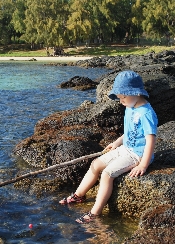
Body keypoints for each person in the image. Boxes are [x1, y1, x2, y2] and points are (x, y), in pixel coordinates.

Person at [59, 70, 158, 223]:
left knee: (107, 174)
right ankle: (79, 195)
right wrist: (117, 143)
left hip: (137, 155)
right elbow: (130, 132)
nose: (121, 101)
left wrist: (143, 164)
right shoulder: (130, 107)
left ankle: (95, 213)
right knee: (96, 164)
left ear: (136, 93)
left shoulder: (146, 113)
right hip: (125, 149)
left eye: (123, 97)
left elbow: (150, 139)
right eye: (119, 98)